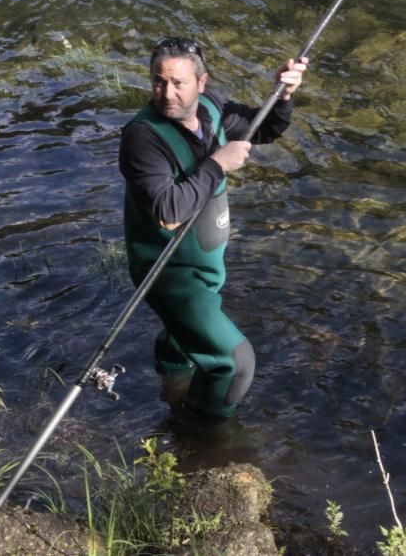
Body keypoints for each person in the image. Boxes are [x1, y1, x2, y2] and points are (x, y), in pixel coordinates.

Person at [119, 37, 308, 419]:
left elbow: (264, 129)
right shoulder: (142, 137)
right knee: (235, 363)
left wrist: (284, 95)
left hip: (206, 265)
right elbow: (167, 211)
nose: (166, 93)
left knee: (183, 341)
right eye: (158, 81)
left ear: (201, 82)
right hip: (171, 276)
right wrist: (218, 164)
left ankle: (171, 384)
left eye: (178, 83)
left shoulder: (212, 108)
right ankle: (202, 437)